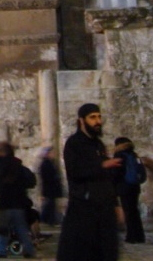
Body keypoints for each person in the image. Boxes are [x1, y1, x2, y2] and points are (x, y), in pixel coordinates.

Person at [55, 102, 121, 261]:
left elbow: (107, 179)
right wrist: (102, 165)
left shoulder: (98, 145)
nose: (98, 121)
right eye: (92, 117)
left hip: (104, 209)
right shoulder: (74, 143)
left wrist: (116, 204)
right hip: (83, 208)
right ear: (82, 121)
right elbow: (75, 172)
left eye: (99, 117)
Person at [0, 141, 37, 258]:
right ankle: (29, 250)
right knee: (21, 229)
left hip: (5, 202)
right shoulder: (18, 166)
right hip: (19, 202)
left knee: (3, 228)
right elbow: (30, 181)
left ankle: (1, 250)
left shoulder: (0, 166)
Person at [112, 136, 145, 244]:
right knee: (134, 210)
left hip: (124, 186)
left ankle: (131, 236)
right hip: (135, 186)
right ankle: (140, 236)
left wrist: (113, 186)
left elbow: (116, 172)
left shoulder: (119, 155)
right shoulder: (134, 154)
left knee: (128, 211)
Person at [37, 145, 63, 227]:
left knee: (50, 205)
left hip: (51, 188)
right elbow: (47, 178)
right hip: (49, 188)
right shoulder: (45, 164)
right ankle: (48, 220)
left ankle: (49, 220)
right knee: (49, 205)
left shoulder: (51, 163)